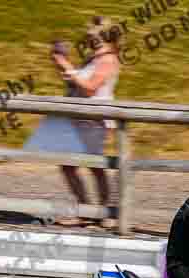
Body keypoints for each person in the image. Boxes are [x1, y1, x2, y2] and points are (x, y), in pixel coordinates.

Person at [50, 16, 121, 227]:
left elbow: (90, 87)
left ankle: (105, 213)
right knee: (72, 166)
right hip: (80, 118)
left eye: (91, 33)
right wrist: (61, 63)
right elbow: (77, 84)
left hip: (94, 119)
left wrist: (67, 66)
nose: (87, 36)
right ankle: (90, 211)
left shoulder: (108, 59)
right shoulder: (93, 58)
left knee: (94, 166)